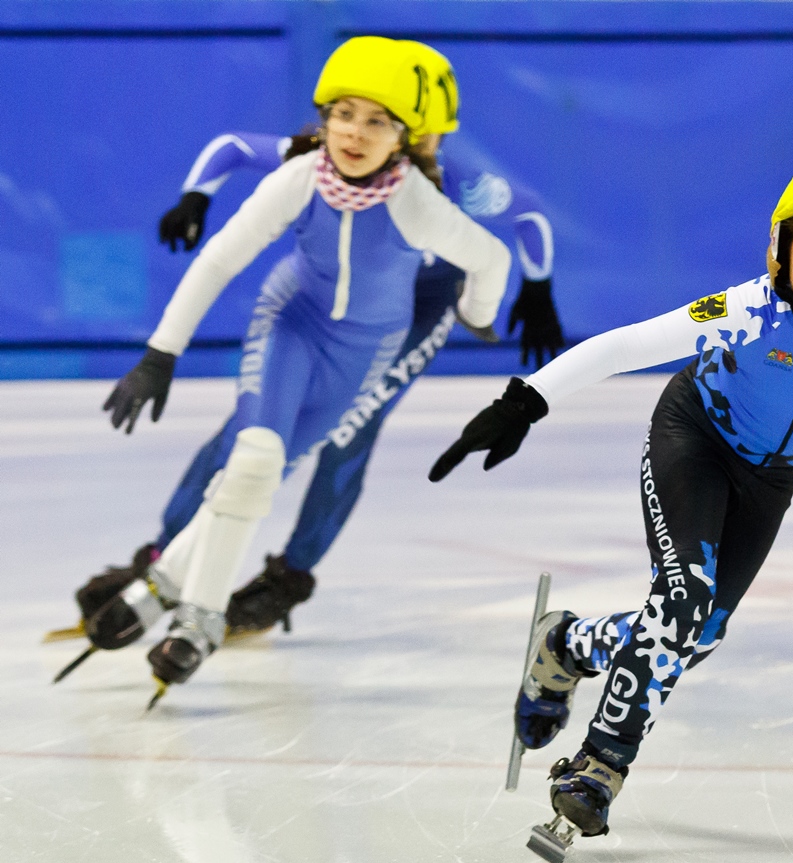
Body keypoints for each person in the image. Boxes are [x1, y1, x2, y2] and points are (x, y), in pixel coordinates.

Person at [429, 157, 793, 852]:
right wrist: (525, 400)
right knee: (682, 598)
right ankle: (599, 768)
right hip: (694, 436)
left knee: (699, 635)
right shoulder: (749, 309)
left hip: (770, 479)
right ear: (783, 248)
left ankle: (565, 642)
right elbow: (630, 345)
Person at [60, 37, 511, 700]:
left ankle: (162, 584)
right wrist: (160, 355)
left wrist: (477, 308)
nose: (355, 133)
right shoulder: (302, 174)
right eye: (344, 114)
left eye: (378, 120)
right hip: (292, 321)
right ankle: (200, 619)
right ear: (324, 115)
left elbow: (492, 256)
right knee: (249, 460)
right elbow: (219, 259)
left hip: (365, 351)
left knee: (275, 470)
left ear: (407, 136)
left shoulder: (418, 202)